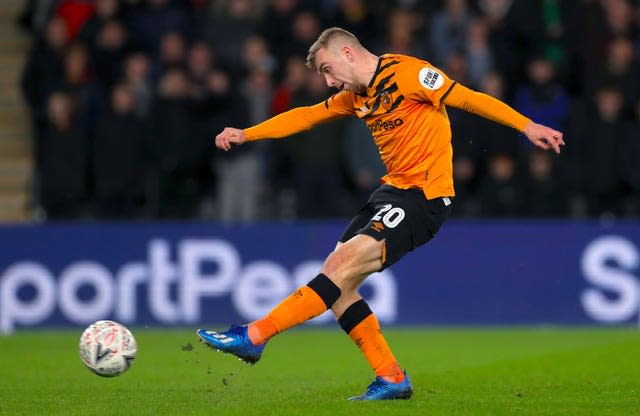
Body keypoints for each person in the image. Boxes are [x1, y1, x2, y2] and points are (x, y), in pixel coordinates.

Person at [197, 27, 564, 401]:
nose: (327, 82)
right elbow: (305, 116)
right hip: (390, 193)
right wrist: (247, 134)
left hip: (424, 197)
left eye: (327, 69)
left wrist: (527, 125)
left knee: (339, 267)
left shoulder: (409, 73)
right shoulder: (355, 96)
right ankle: (391, 377)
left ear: (348, 53)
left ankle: (254, 336)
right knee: (338, 287)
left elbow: (468, 99)